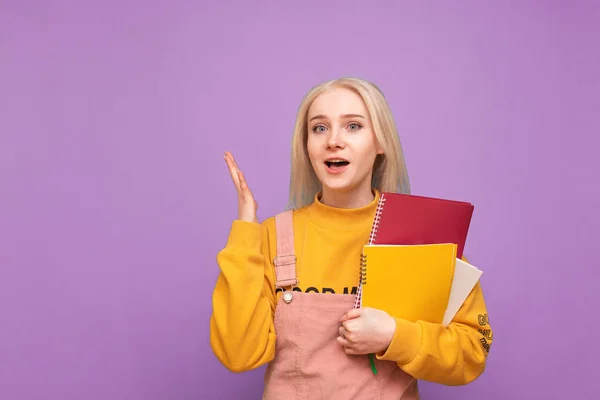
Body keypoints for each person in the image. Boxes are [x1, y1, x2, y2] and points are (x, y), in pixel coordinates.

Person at [209, 77, 493, 398]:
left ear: (381, 142)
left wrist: (395, 336)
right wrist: (247, 230)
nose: (333, 140)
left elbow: (473, 351)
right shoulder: (272, 236)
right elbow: (238, 354)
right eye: (319, 128)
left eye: (353, 126)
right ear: (306, 146)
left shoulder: (426, 236)